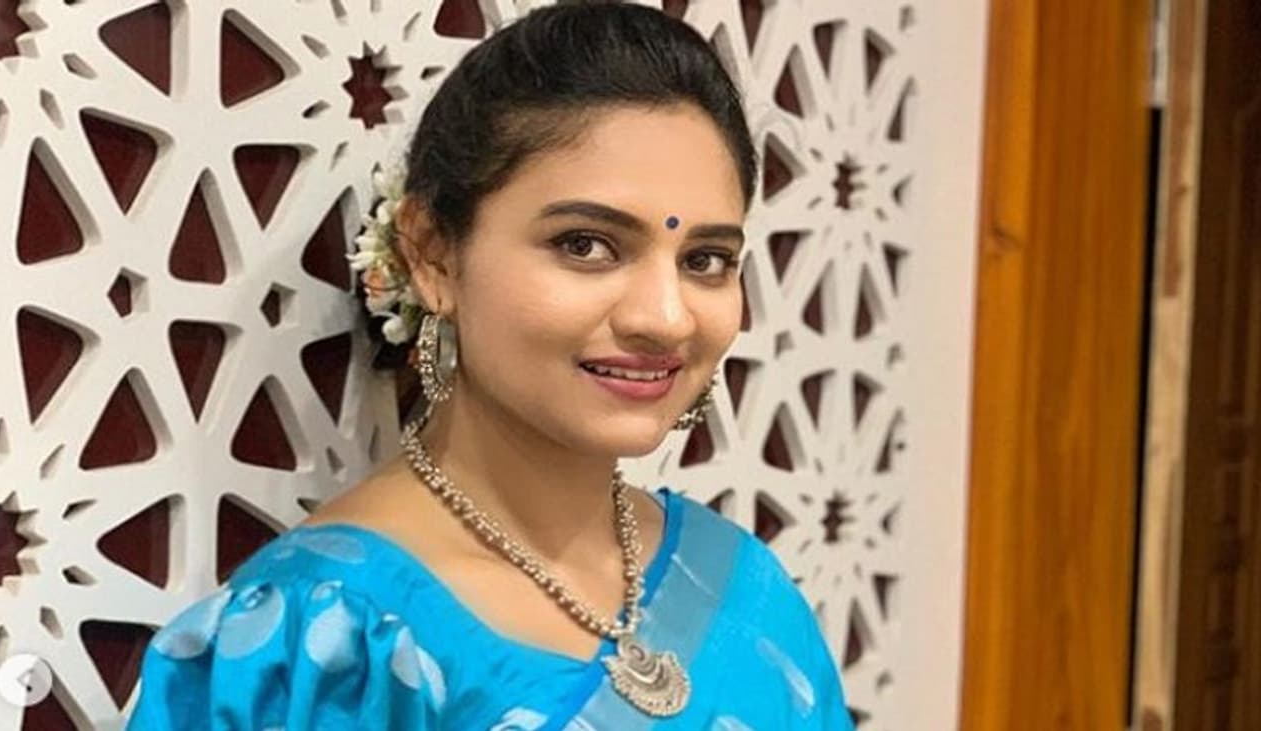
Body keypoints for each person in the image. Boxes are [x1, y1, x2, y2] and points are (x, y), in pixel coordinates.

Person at [127, 2, 855, 728]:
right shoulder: (327, 644)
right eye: (586, 245)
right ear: (432, 255)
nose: (664, 317)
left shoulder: (745, 594)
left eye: (706, 260)